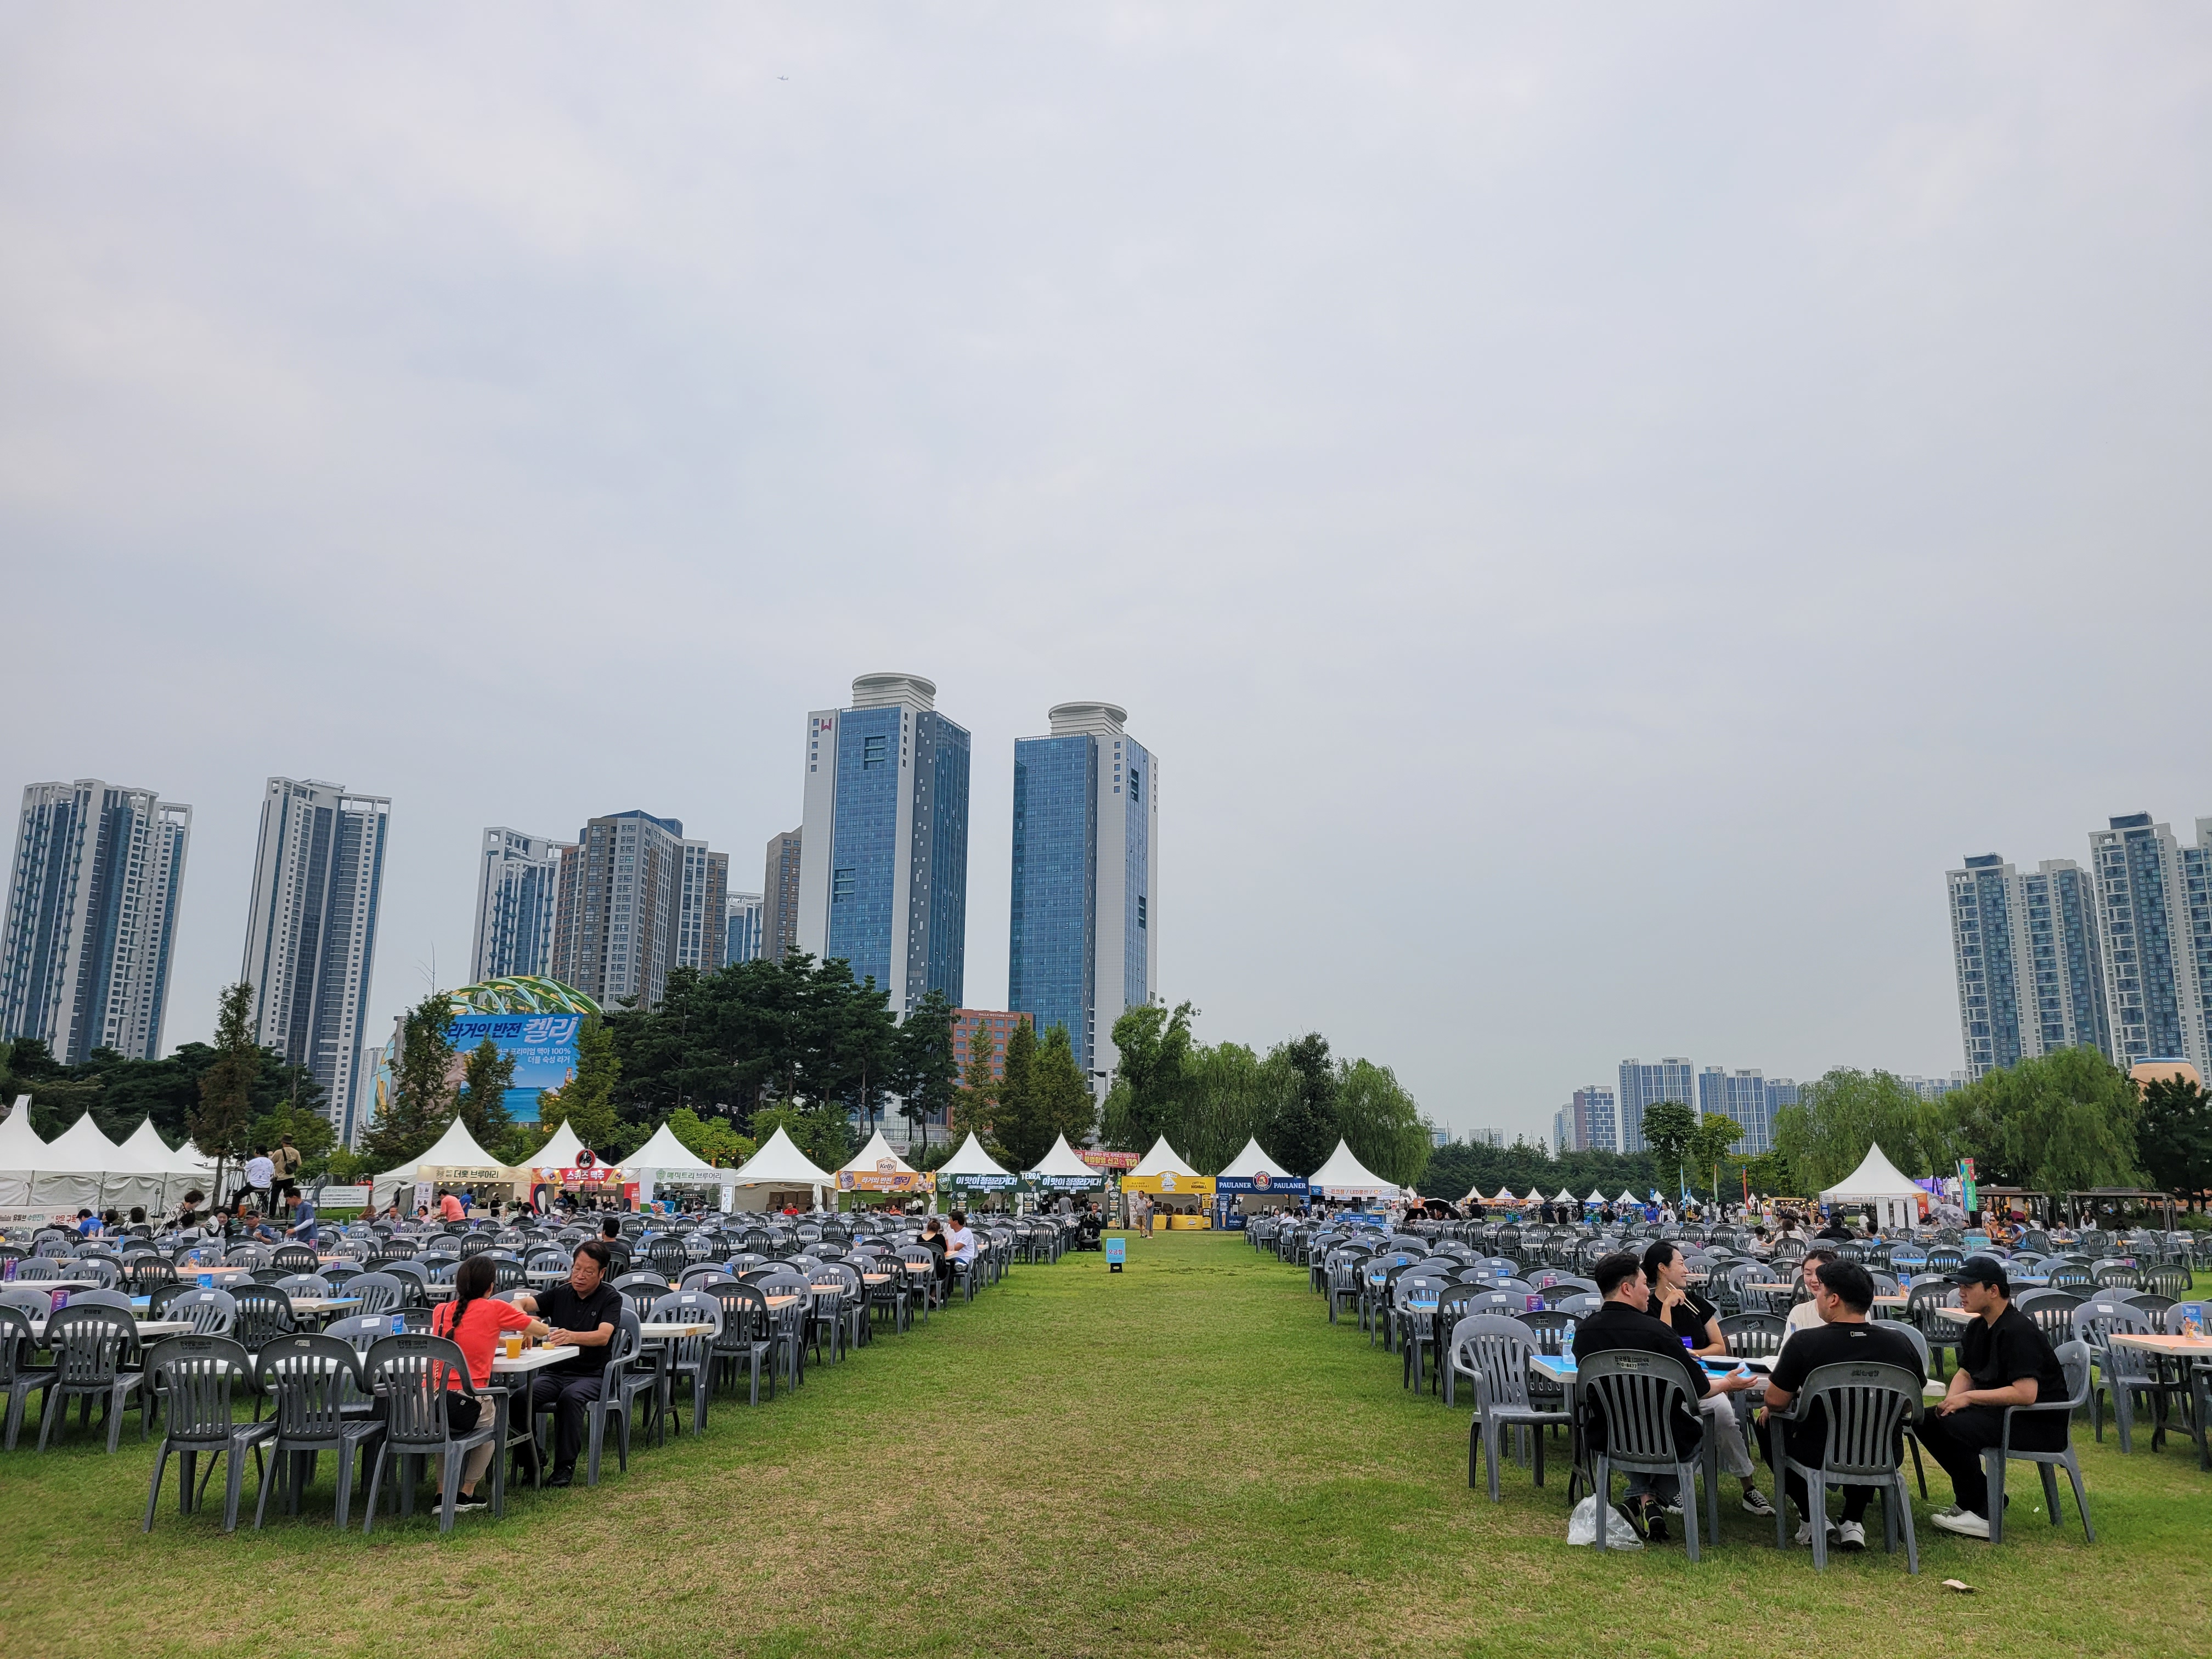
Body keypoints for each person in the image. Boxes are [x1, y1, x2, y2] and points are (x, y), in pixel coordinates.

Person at [1575, 1250, 1760, 1541]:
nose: (1647, 1292)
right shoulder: (1658, 1333)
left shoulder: (1584, 1332)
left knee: (1635, 1427)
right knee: (1703, 1425)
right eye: (1643, 1284)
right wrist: (1727, 1383)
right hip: (1667, 1438)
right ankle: (1655, 1496)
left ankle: (1642, 1499)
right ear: (1627, 1289)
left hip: (1610, 1436)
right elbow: (1700, 1389)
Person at [1759, 1258, 1923, 1550]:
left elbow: (1775, 1401)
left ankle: (1812, 1517)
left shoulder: (1805, 1343)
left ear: (1833, 1299)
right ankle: (1853, 1521)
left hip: (1817, 1451)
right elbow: (1910, 1402)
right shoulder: (1900, 1343)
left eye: (1821, 1291)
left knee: (1766, 1423)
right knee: (1866, 1429)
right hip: (1883, 1451)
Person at [1917, 1256, 2069, 1539]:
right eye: (1959, 1287)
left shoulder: (2018, 1330)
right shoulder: (1978, 1327)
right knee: (1927, 1419)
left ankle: (1985, 1513)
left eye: (1968, 1287)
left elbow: (2026, 1394)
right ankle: (1978, 1500)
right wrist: (1950, 1402)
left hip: (2036, 1422)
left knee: (1954, 1427)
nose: (1961, 1293)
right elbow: (1966, 1372)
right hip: (2002, 1413)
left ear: (1993, 1291)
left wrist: (1969, 1399)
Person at [1643, 1240, 1773, 1517]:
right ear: (1663, 1269)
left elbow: (1720, 1347)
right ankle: (1671, 1485)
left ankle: (1748, 1487)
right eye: (1681, 1264)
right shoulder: (1647, 1306)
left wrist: (1695, 1354)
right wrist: (1667, 1307)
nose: (1686, 1270)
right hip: (1665, 1387)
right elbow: (1662, 1345)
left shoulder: (1697, 1304)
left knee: (1725, 1416)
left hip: (1704, 1381)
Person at [431, 1254, 552, 1511]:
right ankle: (466, 1492)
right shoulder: (495, 1308)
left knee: (446, 1432)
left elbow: (468, 1336)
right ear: (491, 1286)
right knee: (493, 1426)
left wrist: (502, 1339)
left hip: (429, 1404)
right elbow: (542, 1331)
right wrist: (527, 1325)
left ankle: (441, 1494)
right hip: (469, 1402)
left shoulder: (440, 1311)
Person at [511, 1241, 623, 1487]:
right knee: (519, 1399)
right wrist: (524, 1321)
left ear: (602, 1273)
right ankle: (532, 1459)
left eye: (588, 1271)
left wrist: (572, 1336)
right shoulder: (562, 1293)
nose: (580, 1276)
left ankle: (565, 1466)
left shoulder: (611, 1298)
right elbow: (522, 1303)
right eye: (576, 1269)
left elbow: (603, 1336)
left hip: (592, 1375)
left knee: (570, 1398)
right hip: (554, 1373)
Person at [1776, 1248, 1840, 1348]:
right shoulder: (1799, 1312)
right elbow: (1786, 1350)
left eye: (1820, 1274)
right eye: (1808, 1274)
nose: (1814, 1280)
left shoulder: (1855, 1312)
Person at [272, 1135, 302, 1216]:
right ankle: (288, 1215)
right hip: (290, 1177)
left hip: (279, 1177)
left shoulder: (278, 1152)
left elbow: (271, 1162)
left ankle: (272, 1215)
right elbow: (299, 1164)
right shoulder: (296, 1152)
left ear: (283, 1142)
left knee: (274, 1197)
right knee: (289, 1197)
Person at [244, 1146, 275, 1213]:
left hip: (254, 1185)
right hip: (266, 1186)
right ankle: (264, 1213)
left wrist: (238, 1166)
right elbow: (271, 1175)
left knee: (237, 1196)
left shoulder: (253, 1161)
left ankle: (234, 1213)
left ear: (257, 1152)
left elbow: (244, 1169)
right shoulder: (270, 1162)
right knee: (264, 1196)